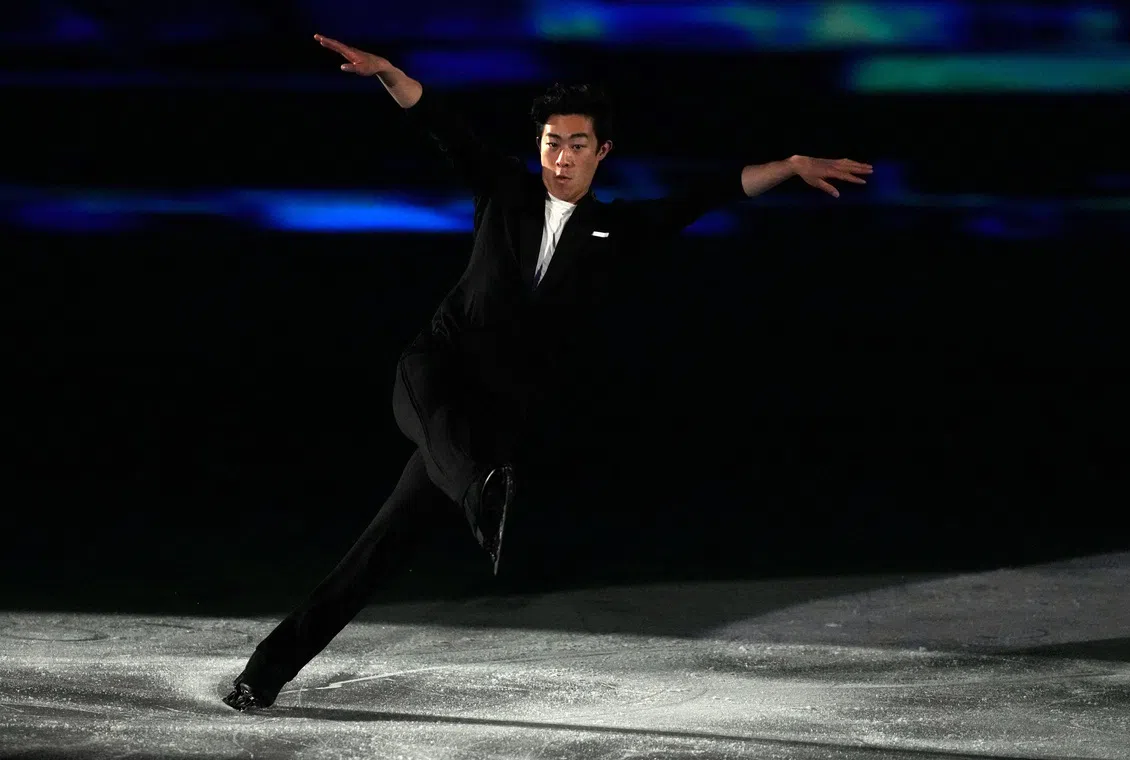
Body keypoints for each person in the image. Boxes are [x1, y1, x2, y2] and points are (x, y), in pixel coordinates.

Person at [222, 33, 873, 711]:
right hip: (437, 367)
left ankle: (263, 673)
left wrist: (792, 163)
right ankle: (482, 495)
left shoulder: (617, 232)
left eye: (577, 144)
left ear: (603, 152)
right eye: (551, 143)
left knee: (379, 551)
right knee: (432, 427)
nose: (561, 157)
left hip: (490, 414)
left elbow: (708, 195)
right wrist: (388, 73)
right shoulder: (503, 191)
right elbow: (440, 122)